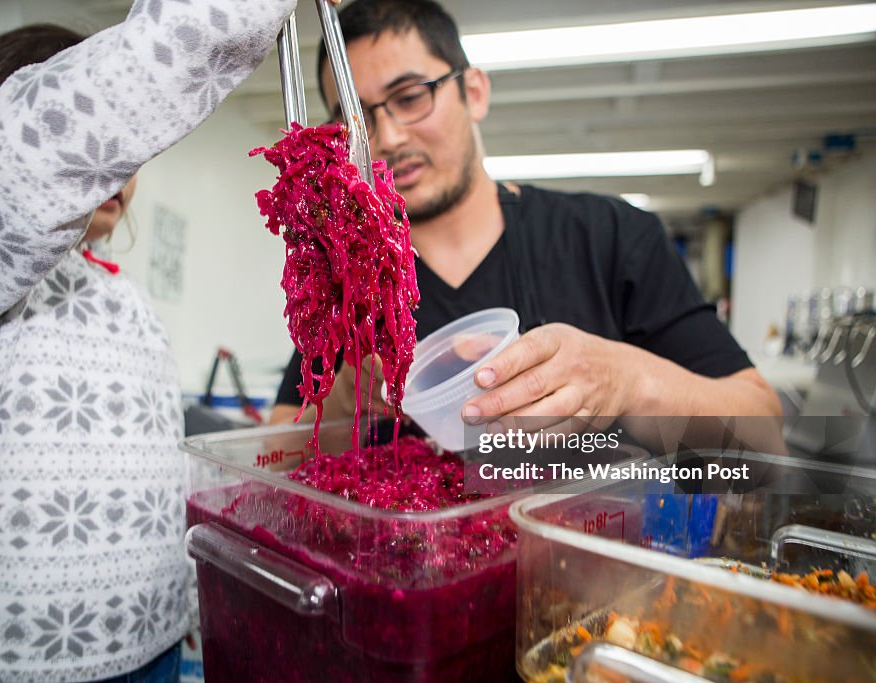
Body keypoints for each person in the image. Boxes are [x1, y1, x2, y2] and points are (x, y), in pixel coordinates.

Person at [0, 2, 299, 681]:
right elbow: (43, 143)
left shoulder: (127, 301)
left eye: (130, 152)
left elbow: (155, 474)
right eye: (107, 145)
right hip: (23, 659)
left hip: (154, 646)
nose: (118, 168)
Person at [269, 0, 782, 453]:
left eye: (410, 97)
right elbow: (273, 456)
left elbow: (765, 439)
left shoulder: (611, 236)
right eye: (356, 118)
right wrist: (343, 401)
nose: (389, 137)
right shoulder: (352, 282)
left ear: (474, 91)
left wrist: (626, 382)